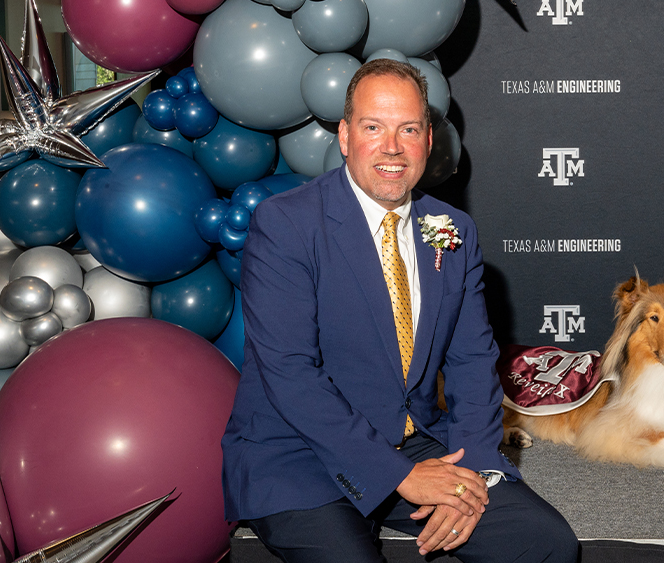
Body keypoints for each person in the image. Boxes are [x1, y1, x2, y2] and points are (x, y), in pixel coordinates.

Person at [222, 59, 578, 562]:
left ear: (428, 139)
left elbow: (474, 363)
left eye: (408, 128)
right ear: (345, 136)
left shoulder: (452, 229)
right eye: (373, 127)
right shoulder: (286, 224)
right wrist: (401, 476)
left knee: (545, 544)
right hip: (298, 455)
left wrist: (472, 473)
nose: (392, 147)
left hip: (415, 443)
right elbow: (289, 374)